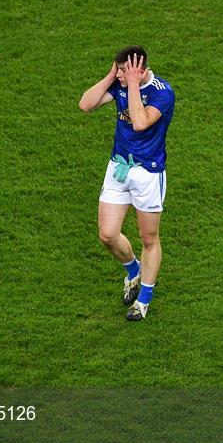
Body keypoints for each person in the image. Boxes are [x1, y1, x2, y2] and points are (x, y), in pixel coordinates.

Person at [79, 45, 175, 320]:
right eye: (118, 69)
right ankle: (133, 271)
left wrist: (132, 84)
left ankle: (143, 300)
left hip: (148, 173)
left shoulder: (162, 92)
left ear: (141, 70)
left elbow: (141, 123)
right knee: (107, 234)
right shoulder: (120, 83)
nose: (121, 76)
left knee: (148, 238)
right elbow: (86, 104)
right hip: (119, 167)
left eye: (125, 71)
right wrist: (112, 76)